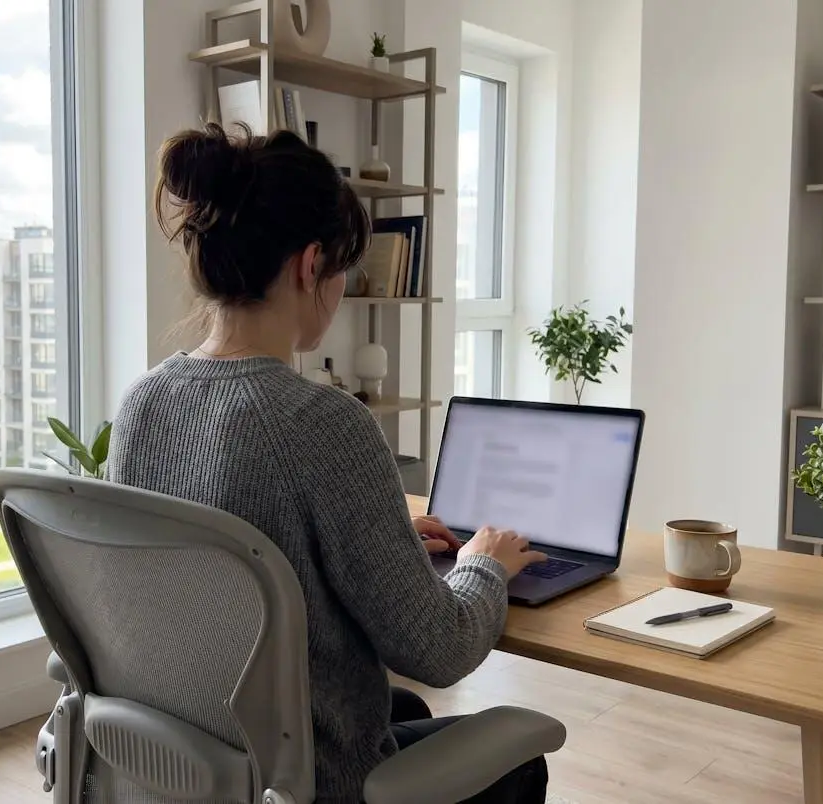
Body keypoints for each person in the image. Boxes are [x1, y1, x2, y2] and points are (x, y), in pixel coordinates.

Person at [109, 122, 550, 803]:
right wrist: (484, 564)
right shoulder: (323, 424)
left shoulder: (144, 401)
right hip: (299, 782)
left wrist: (388, 544)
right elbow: (438, 650)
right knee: (518, 761)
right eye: (344, 270)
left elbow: (239, 551)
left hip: (192, 758)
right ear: (311, 265)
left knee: (403, 713)